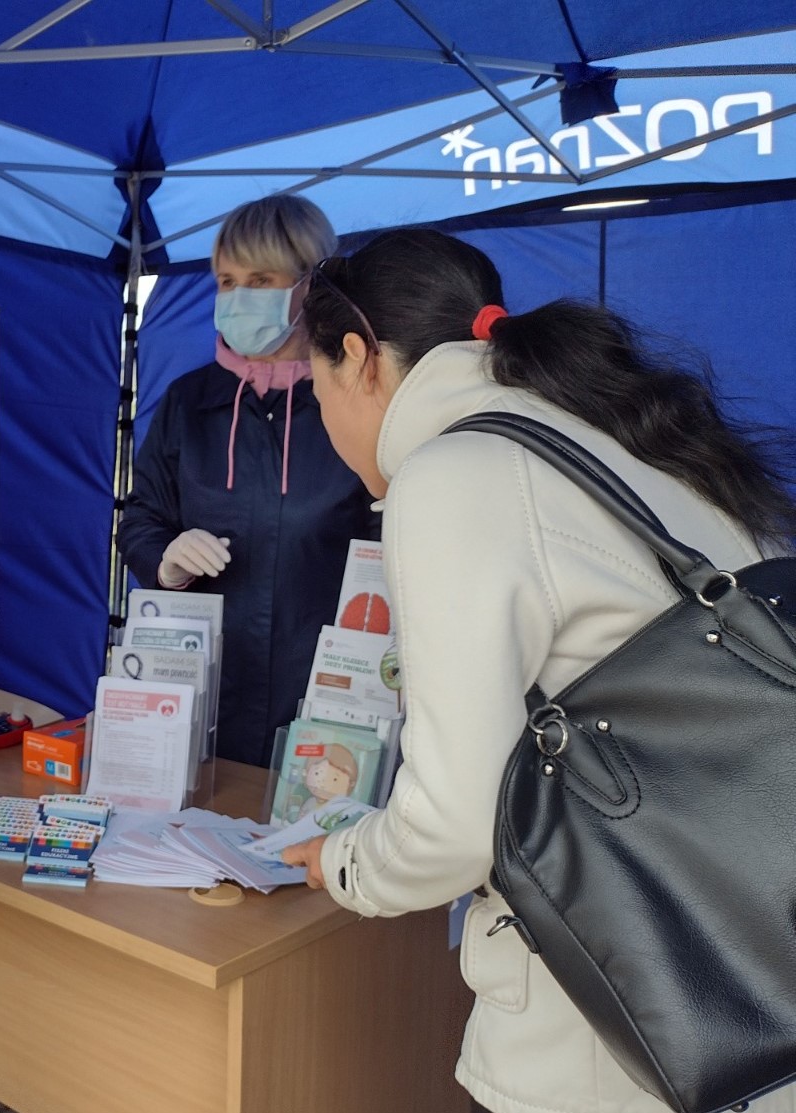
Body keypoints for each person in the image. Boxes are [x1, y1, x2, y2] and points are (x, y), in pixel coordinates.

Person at [279, 228, 796, 1113]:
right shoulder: (621, 437)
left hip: (611, 1033)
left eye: (316, 386)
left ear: (359, 358)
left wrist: (345, 860)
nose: (323, 419)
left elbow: (455, 825)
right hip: (749, 955)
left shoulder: (454, 474)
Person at [117, 195, 380, 766]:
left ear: (311, 285)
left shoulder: (354, 402)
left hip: (326, 702)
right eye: (227, 282)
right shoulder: (190, 401)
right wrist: (166, 560)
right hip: (203, 698)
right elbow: (141, 517)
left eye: (261, 280)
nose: (239, 298)